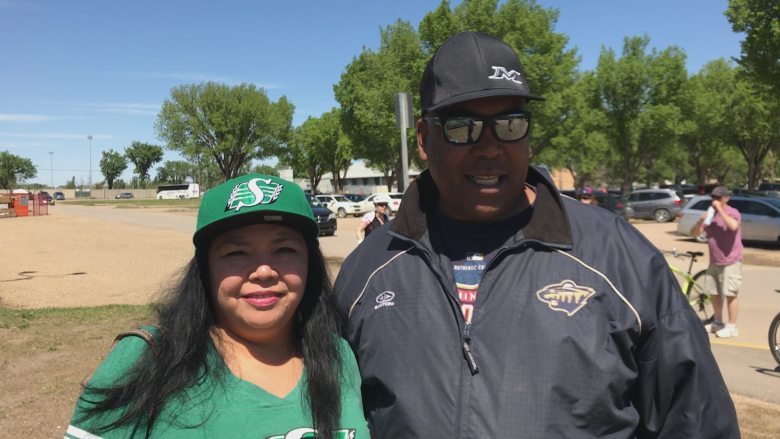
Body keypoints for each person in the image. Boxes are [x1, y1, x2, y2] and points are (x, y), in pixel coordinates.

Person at [334, 32, 738, 438]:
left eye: (510, 124)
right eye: (463, 126)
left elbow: (696, 420)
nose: (490, 147)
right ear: (424, 138)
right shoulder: (369, 270)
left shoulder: (618, 257)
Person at [66, 174, 369, 439]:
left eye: (285, 249)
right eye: (236, 252)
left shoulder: (340, 356)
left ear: (310, 265)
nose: (264, 271)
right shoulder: (147, 359)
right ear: (206, 270)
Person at [690, 185, 743, 339]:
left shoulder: (732, 212)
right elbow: (695, 234)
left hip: (731, 261)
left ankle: (732, 326)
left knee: (730, 293)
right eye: (713, 198)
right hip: (714, 261)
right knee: (714, 293)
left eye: (718, 198)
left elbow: (733, 226)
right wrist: (700, 221)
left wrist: (720, 210)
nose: (715, 201)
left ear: (726, 198)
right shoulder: (710, 216)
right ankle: (717, 322)